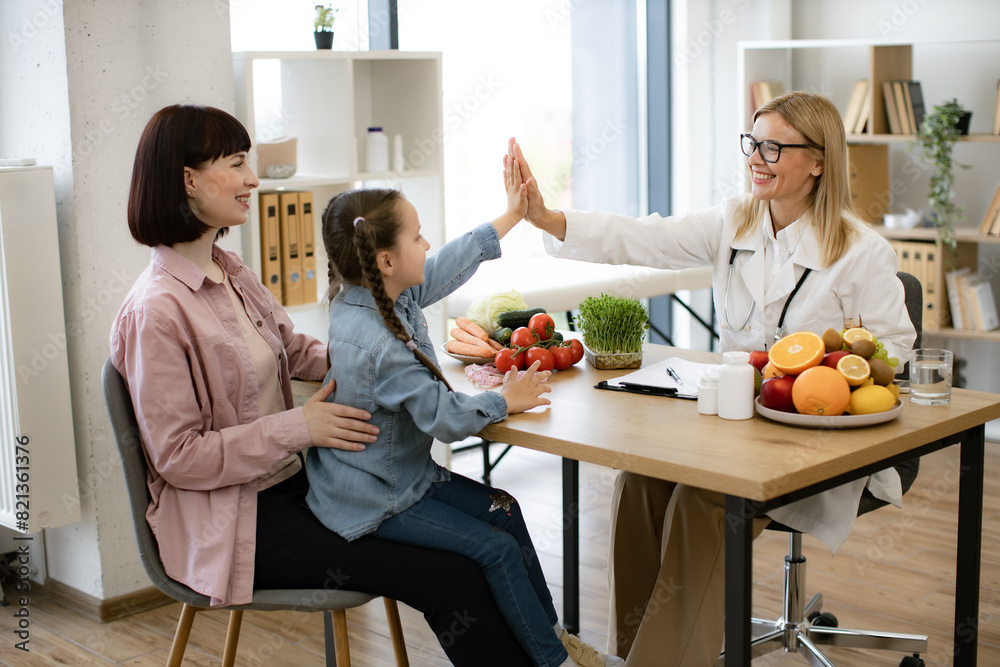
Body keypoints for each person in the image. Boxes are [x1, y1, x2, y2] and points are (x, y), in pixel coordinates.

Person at [110, 103, 543, 666]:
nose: (252, 179)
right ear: (189, 180)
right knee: (450, 572)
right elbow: (178, 457)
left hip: (299, 480)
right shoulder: (155, 313)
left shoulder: (230, 271)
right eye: (237, 164)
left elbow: (294, 351)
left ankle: (548, 654)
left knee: (489, 528)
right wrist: (300, 426)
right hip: (241, 519)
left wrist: (367, 366)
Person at [508, 91, 917, 665]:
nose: (757, 157)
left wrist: (824, 362)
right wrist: (546, 218)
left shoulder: (862, 251)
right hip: (735, 430)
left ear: (818, 162)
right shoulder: (735, 221)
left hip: (815, 441)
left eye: (775, 147)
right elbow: (643, 237)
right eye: (754, 142)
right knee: (640, 482)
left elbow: (895, 350)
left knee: (704, 504)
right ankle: (631, 655)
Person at [305, 164, 623, 667]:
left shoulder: (376, 292)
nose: (428, 243)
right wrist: (506, 399)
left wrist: (513, 216)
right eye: (417, 236)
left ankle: (556, 640)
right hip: (379, 497)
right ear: (385, 259)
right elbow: (445, 418)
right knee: (493, 549)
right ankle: (554, 661)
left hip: (401, 477)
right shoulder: (379, 342)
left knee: (506, 510)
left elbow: (447, 263)